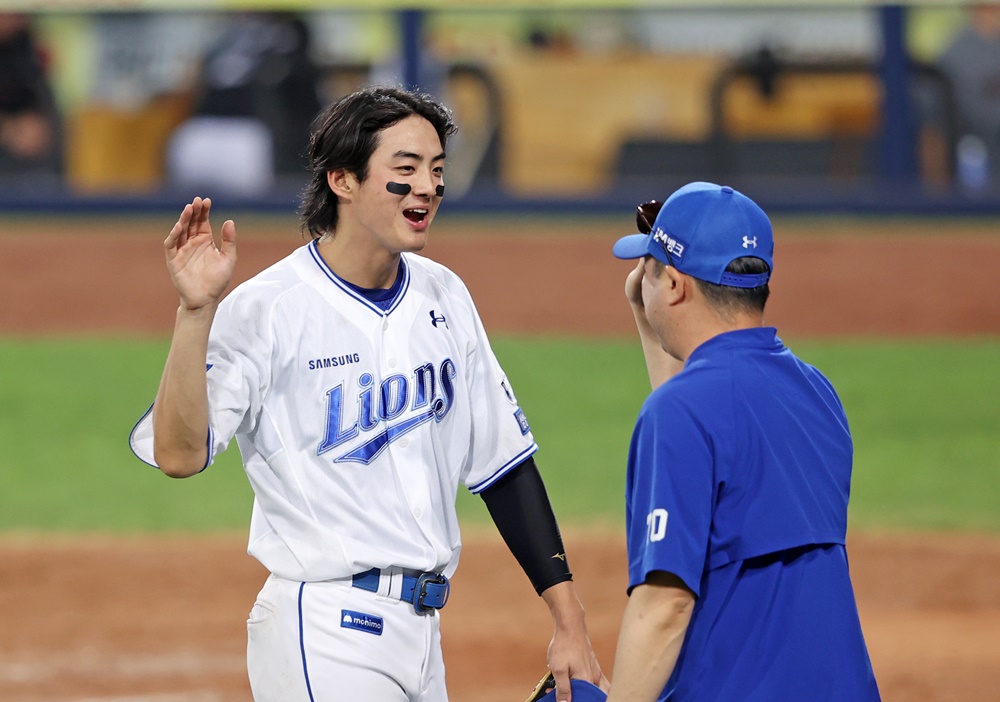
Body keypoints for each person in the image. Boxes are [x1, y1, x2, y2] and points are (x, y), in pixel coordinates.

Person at [128, 85, 606, 701]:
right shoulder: (270, 308)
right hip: (324, 629)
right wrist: (196, 314)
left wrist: (570, 619)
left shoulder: (444, 295)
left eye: (436, 171)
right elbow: (179, 454)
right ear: (343, 181)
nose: (428, 187)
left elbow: (505, 465)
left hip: (424, 636)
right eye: (404, 170)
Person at [604, 182, 881, 701]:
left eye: (651, 268)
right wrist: (649, 321)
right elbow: (714, 431)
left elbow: (665, 606)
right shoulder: (817, 393)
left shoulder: (681, 412)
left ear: (675, 285)